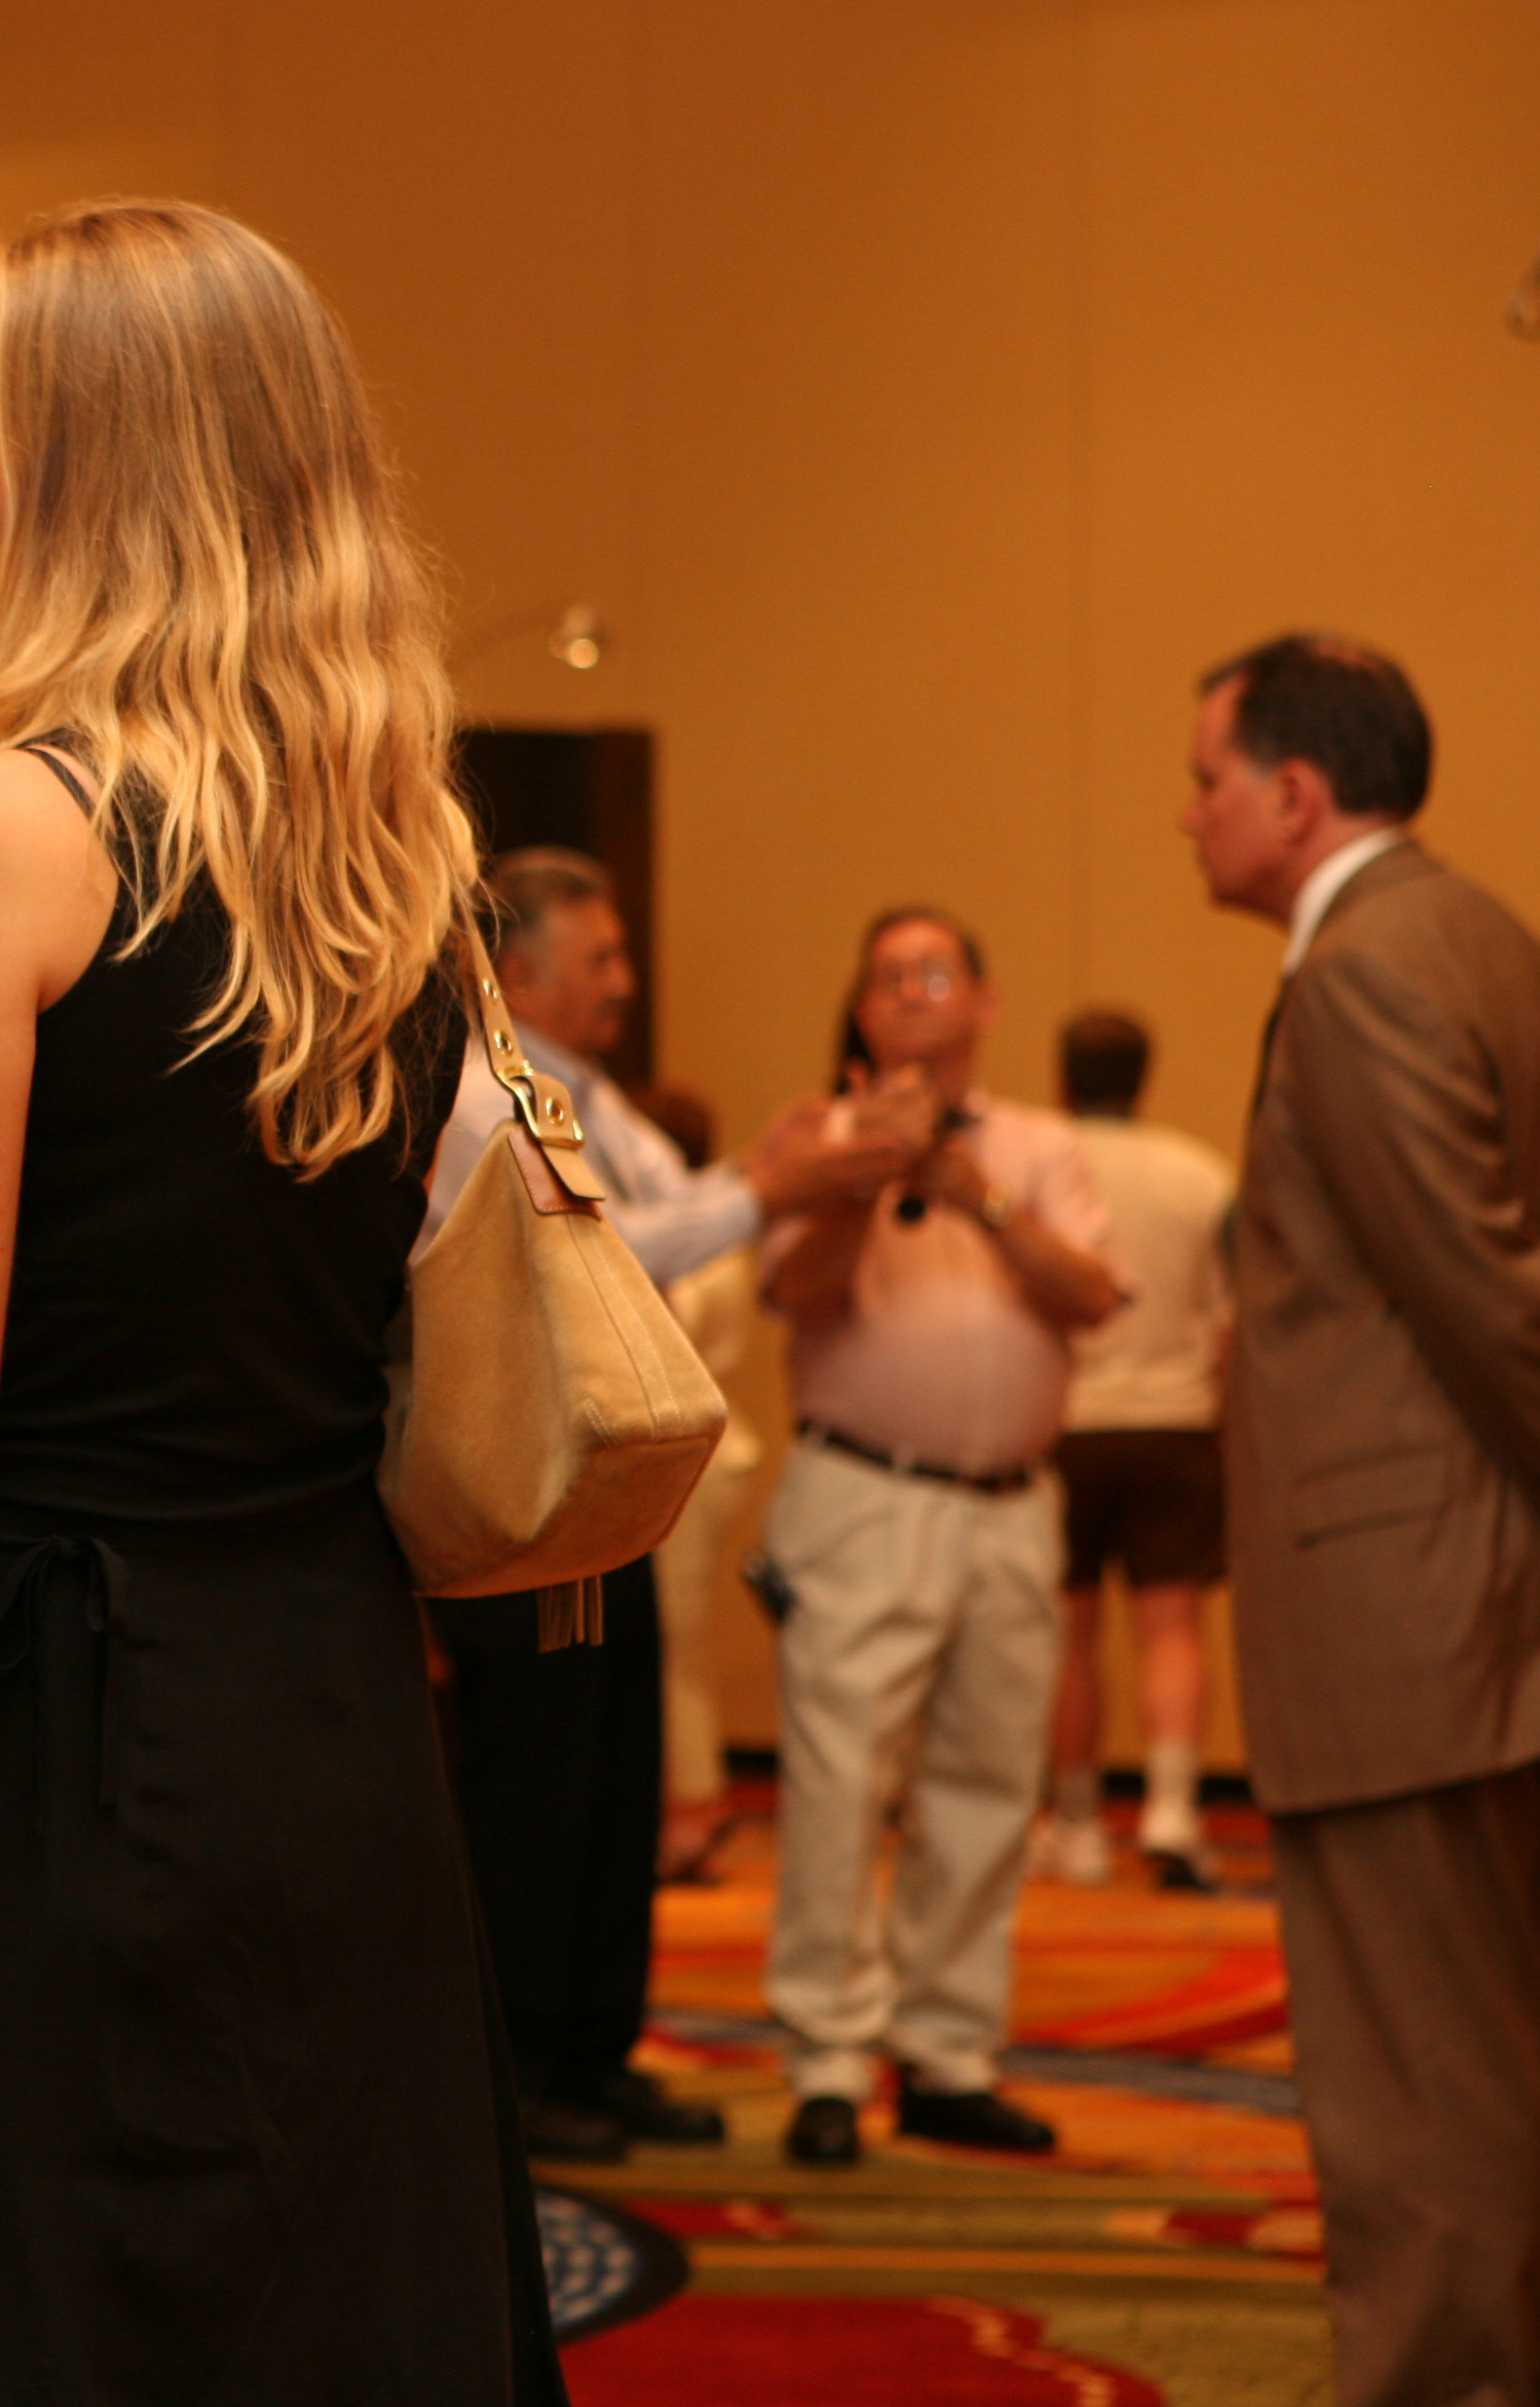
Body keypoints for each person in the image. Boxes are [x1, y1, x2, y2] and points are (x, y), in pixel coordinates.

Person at [0, 199, 545, 2405]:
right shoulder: (403, 849)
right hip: (334, 1690)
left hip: (49, 1716)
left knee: (30, 2290)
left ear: (108, 475)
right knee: (320, 2283)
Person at [1182, 633, 1540, 2407]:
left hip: (1413, 1630)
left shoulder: (1357, 976)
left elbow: (1492, 1296)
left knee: (1420, 2114)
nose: (1185, 817)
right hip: (1525, 1607)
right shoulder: (1520, 962)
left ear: (1294, 796)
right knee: (1534, 2060)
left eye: (1204, 779)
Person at [416, 848, 918, 2164]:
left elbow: (663, 1202)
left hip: (606, 1493)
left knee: (613, 1780)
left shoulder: (592, 1094)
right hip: (520, 1493)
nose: (627, 986)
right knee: (534, 1791)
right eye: (602, 963)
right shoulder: (479, 1091)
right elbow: (587, 1247)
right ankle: (522, 2068)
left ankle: (595, 2043)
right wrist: (770, 1193)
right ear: (517, 973)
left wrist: (767, 1169)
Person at [757, 911, 1120, 2167]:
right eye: (888, 978)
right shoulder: (817, 1138)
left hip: (1016, 1506)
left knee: (985, 1786)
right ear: (861, 1011)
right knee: (839, 1782)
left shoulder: (1042, 1144)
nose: (913, 994)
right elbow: (796, 1294)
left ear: (985, 999)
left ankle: (949, 2052)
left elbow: (1093, 1296)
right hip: (866, 1496)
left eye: (935, 973)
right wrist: (865, 1175)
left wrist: (978, 1192)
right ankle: (825, 2059)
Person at [1033, 1008, 1235, 1897]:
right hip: (1176, 1424)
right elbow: (1234, 1319)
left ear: (1063, 1076)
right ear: (1145, 1074)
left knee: (1069, 1631)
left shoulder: (1039, 1160)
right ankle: (1173, 1809)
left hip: (1063, 1424)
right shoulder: (1198, 1173)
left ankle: (1075, 1824)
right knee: (1171, 1625)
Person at [634, 1088, 769, 1888]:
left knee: (675, 1649)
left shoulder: (705, 1244)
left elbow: (658, 1330)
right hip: (695, 1449)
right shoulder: (700, 1233)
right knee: (674, 1647)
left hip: (697, 1451)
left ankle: (691, 1819)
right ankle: (679, 1813)